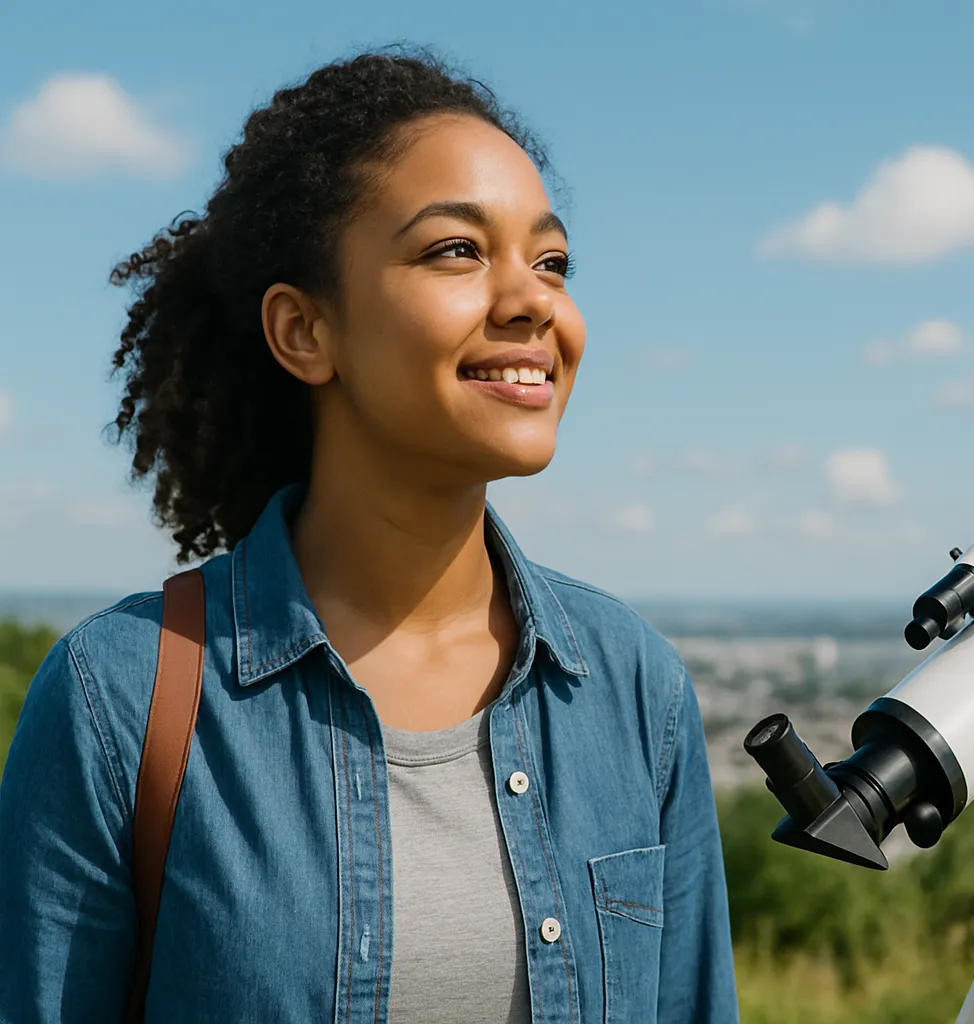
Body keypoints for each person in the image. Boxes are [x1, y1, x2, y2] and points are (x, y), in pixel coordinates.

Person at [0, 49, 738, 1023]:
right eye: (455, 251)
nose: (532, 301)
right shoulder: (119, 697)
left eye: (551, 260)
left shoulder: (633, 688)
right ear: (305, 332)